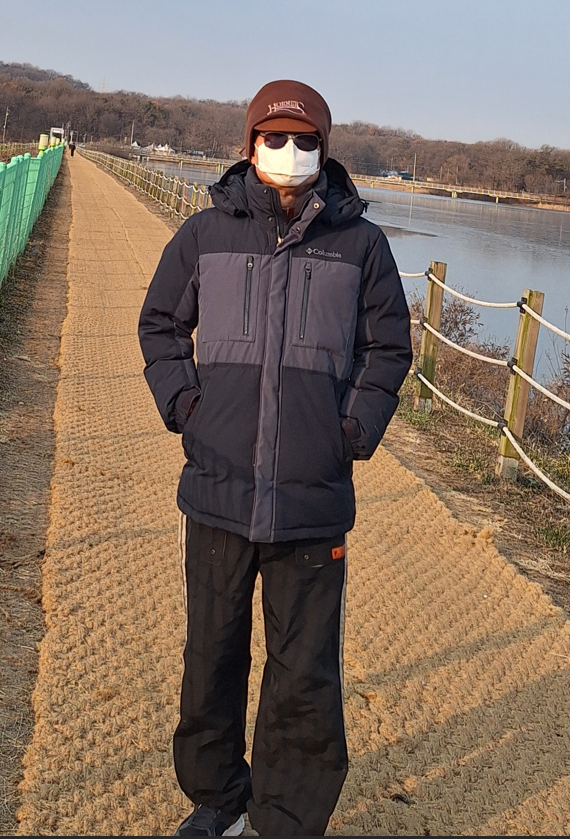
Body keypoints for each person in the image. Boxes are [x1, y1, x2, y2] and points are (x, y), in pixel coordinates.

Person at [138, 80, 412, 836]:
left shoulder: (363, 246)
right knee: (212, 655)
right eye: (275, 138)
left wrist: (351, 430)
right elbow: (160, 324)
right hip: (217, 490)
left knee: (304, 671)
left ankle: (286, 818)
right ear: (250, 145)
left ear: (325, 149)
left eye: (305, 140)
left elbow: (388, 349)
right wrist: (186, 407)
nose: (290, 152)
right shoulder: (205, 234)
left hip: (311, 500)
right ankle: (218, 798)